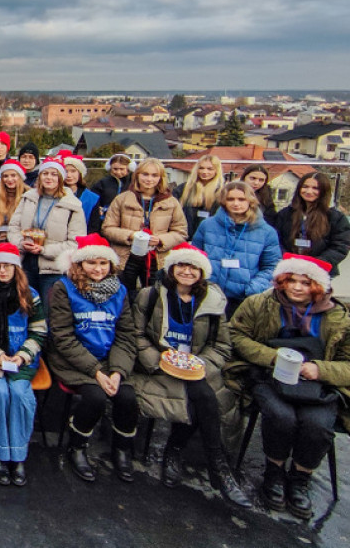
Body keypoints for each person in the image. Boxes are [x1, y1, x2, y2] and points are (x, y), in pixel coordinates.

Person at [226, 254, 350, 519]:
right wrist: (273, 357)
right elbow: (236, 334)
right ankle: (274, 472)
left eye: (305, 283)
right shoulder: (260, 303)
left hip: (317, 384)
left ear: (317, 286)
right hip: (270, 375)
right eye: (291, 280)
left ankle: (300, 477)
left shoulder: (338, 316)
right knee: (281, 417)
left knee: (317, 425)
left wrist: (320, 369)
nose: (296, 287)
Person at [132, 244, 252, 507]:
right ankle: (214, 466)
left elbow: (221, 346)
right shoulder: (149, 295)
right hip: (159, 366)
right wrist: (158, 360)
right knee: (203, 399)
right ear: (172, 268)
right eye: (181, 266)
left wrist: (200, 366)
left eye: (193, 267)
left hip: (196, 366)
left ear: (202, 272)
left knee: (204, 396)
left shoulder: (213, 300)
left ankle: (187, 455)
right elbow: (137, 336)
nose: (187, 271)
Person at [46, 234, 139, 483]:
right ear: (79, 264)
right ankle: (77, 445)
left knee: (128, 397)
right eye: (91, 263)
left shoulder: (119, 291)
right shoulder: (64, 288)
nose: (98, 269)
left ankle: (121, 449)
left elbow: (126, 334)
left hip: (110, 357)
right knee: (95, 396)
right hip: (73, 358)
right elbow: (63, 337)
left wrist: (117, 371)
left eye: (103, 263)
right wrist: (97, 372)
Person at [0, 243, 47, 486]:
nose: (3, 270)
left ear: (16, 268)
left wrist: (23, 355)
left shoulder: (30, 294)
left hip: (20, 357)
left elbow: (38, 331)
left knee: (21, 395)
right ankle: (1, 454)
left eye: (8, 266)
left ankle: (19, 454)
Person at [192, 181, 282, 316]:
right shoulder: (207, 225)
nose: (236, 203)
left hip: (243, 298)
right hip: (208, 293)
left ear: (250, 201)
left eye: (241, 199)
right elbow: (195, 256)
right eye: (230, 199)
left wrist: (253, 288)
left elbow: (272, 266)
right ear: (223, 201)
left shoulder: (266, 232)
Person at [101, 158, 187, 298]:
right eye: (145, 174)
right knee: (123, 295)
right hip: (126, 257)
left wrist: (161, 240)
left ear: (161, 178)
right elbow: (107, 228)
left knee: (153, 296)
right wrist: (130, 235)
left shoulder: (171, 202)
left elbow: (181, 231)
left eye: (154, 175)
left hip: (156, 259)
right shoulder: (122, 199)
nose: (149, 179)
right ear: (137, 175)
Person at [7, 156, 85, 298]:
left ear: (61, 178)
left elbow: (76, 242)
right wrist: (20, 243)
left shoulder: (73, 205)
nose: (49, 177)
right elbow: (14, 226)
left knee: (50, 311)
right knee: (28, 308)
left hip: (53, 269)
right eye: (45, 173)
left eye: (54, 174)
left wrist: (44, 249)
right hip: (26, 262)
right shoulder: (28, 197)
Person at [275, 172, 350, 276]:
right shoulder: (286, 214)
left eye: (315, 188)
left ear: (324, 191)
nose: (309, 191)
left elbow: (340, 246)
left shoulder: (336, 218)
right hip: (287, 269)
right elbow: (275, 240)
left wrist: (315, 264)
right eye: (305, 187)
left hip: (320, 272)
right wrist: (288, 260)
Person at [175, 155, 225, 238]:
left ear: (216, 171)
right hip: (184, 235)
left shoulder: (221, 192)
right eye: (201, 168)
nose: (204, 172)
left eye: (210, 169)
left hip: (210, 236)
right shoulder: (184, 188)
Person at [89, 153, 133, 234]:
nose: (118, 172)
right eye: (115, 169)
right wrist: (98, 208)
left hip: (127, 218)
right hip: (106, 218)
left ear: (128, 168)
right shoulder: (103, 183)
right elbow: (93, 197)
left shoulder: (133, 183)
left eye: (122, 169)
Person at [61, 153, 99, 227]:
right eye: (65, 171)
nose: (69, 175)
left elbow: (94, 226)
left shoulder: (92, 198)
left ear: (80, 173)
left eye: (73, 171)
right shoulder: (52, 194)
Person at [241, 164, 277, 229]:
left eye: (261, 180)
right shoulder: (233, 192)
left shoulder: (266, 196)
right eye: (252, 178)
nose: (256, 183)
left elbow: (271, 218)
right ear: (244, 178)